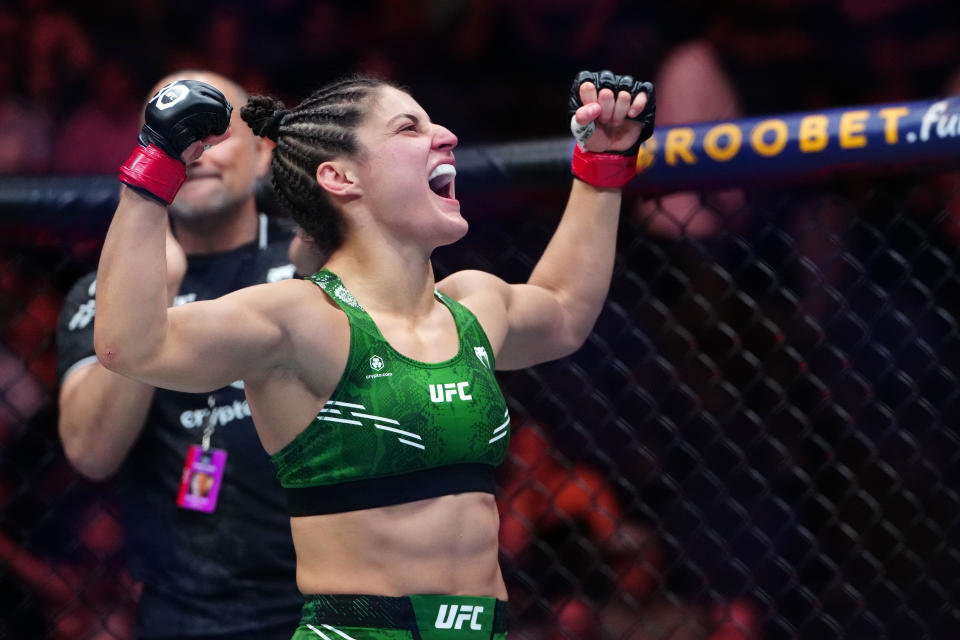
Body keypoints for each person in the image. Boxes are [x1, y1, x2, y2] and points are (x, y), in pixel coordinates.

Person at [91, 69, 655, 639]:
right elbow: (131, 345)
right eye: (409, 128)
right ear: (340, 177)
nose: (446, 137)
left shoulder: (473, 305)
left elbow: (563, 310)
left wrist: (603, 167)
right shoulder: (304, 319)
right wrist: (154, 166)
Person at [56, 70, 305, 640]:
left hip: (330, 595)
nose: (196, 151)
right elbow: (91, 452)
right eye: (176, 136)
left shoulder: (311, 258)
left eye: (215, 132)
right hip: (183, 609)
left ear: (263, 153)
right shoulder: (111, 291)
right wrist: (155, 293)